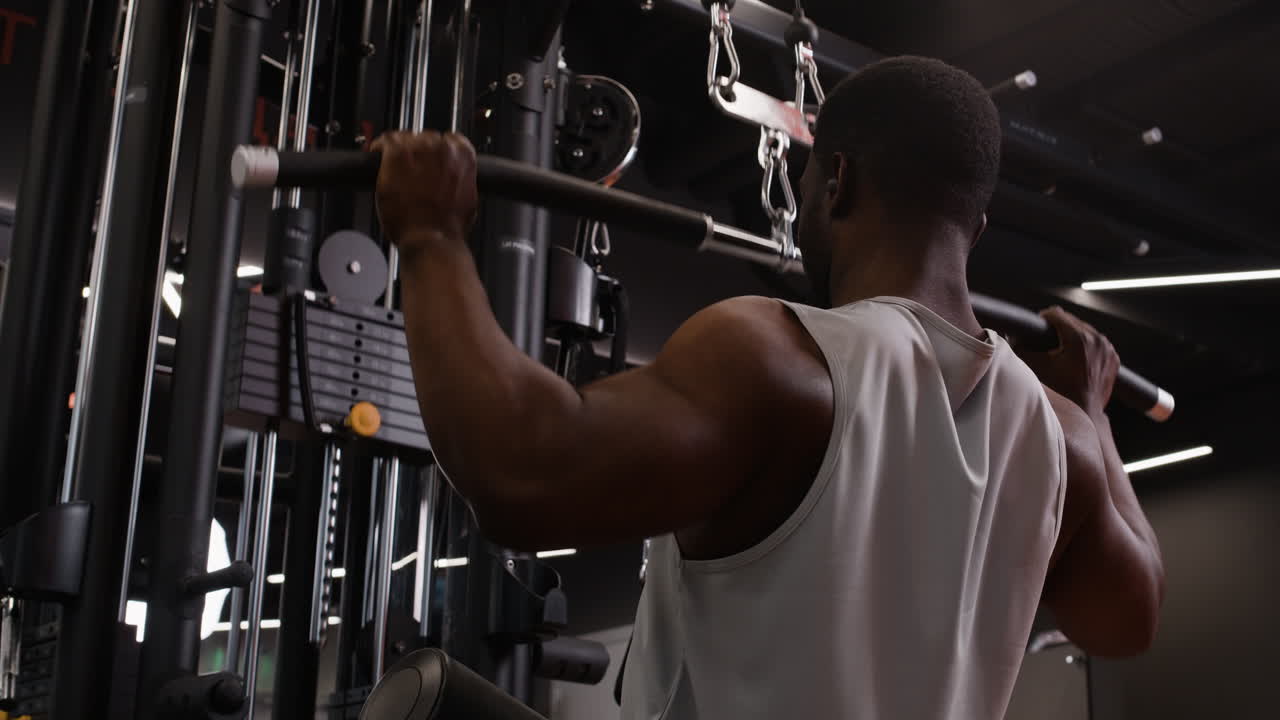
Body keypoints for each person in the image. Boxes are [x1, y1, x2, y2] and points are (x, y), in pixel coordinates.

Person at [371, 55, 1165, 720]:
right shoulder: (1058, 436)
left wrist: (430, 237)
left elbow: (522, 474)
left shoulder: (781, 359)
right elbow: (1131, 616)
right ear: (976, 228)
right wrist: (1095, 415)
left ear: (837, 182)